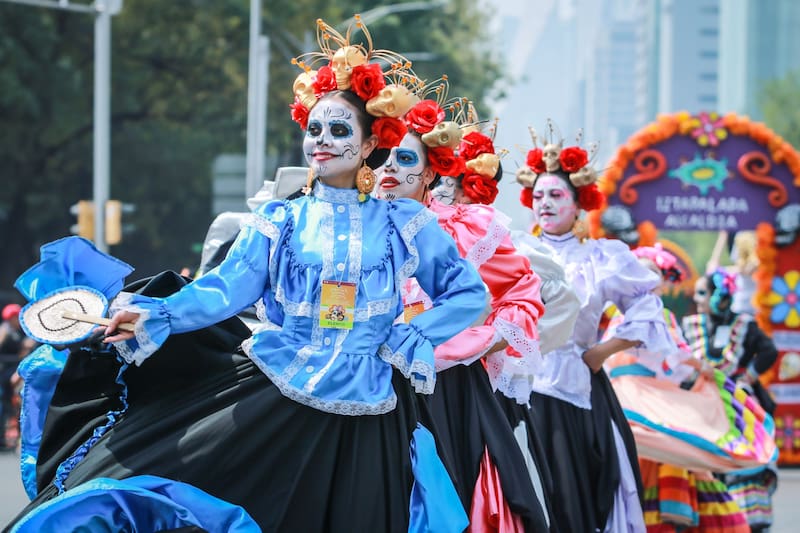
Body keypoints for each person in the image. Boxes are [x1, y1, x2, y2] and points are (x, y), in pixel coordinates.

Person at [6, 17, 486, 532]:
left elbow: (468, 295)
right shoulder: (281, 219)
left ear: (370, 146)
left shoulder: (404, 224)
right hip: (278, 394)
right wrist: (157, 312)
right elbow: (223, 290)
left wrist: (410, 334)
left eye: (340, 130)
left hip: (371, 407)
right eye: (314, 129)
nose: (321, 141)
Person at [375, 100, 557, 531]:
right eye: (384, 156)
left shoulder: (464, 226)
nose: (391, 169)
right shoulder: (347, 225)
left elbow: (524, 293)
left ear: (431, 171)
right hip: (366, 383)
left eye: (405, 159)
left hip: (447, 392)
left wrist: (471, 343)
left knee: (447, 500)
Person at [516, 129, 681, 533]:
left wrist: (602, 351)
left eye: (556, 195)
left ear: (579, 204)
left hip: (573, 390)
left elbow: (647, 305)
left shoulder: (601, 257)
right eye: (538, 197)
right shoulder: (516, 251)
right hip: (517, 389)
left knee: (574, 498)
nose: (545, 204)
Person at [604, 245, 777, 532]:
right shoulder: (623, 313)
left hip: (648, 394)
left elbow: (671, 356)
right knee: (646, 450)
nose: (646, 277)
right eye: (640, 271)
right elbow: (667, 358)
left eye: (653, 272)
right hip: (625, 394)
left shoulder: (656, 314)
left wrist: (701, 369)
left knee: (667, 446)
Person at [683, 269, 779, 531]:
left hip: (738, 408)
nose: (698, 299)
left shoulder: (744, 324)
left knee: (741, 463)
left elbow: (769, 351)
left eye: (703, 293)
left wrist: (747, 379)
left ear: (721, 297)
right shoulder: (690, 325)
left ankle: (745, 521)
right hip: (703, 409)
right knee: (708, 466)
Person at [0, 303, 35, 451]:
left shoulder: (22, 333)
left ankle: (21, 437)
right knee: (5, 405)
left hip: (17, 370)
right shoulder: (4, 331)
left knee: (17, 403)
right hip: (5, 371)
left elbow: (23, 355)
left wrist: (27, 346)